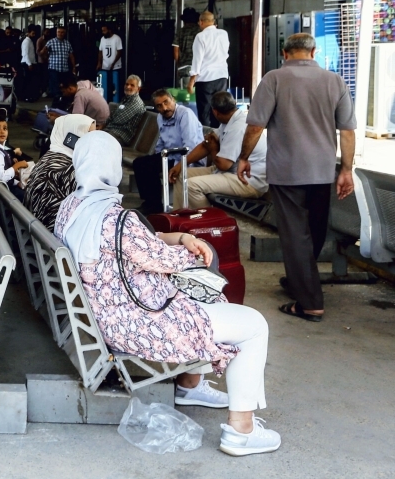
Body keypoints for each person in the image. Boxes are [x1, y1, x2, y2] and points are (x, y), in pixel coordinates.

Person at [56, 131, 280, 457]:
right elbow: (162, 260)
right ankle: (242, 430)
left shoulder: (72, 207)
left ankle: (191, 386)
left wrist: (177, 238)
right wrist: (193, 247)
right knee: (253, 324)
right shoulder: (116, 219)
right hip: (140, 322)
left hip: (106, 315)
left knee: (206, 298)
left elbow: (137, 244)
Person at [237, 32, 356, 323]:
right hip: (322, 171)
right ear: (313, 53)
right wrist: (346, 169)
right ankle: (299, 280)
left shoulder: (274, 79)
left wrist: (243, 157)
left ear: (285, 53)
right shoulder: (335, 81)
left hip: (288, 171)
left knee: (295, 236)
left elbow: (255, 126)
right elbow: (348, 131)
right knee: (313, 232)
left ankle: (310, 302)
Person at [169, 91, 268, 210]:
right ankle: (180, 218)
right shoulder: (230, 119)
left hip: (247, 181)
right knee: (181, 174)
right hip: (229, 172)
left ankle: (206, 224)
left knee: (191, 186)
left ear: (215, 112)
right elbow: (206, 144)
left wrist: (213, 149)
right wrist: (181, 165)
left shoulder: (238, 127)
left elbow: (224, 165)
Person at [132, 88, 204, 214]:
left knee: (149, 167)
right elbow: (161, 140)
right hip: (169, 156)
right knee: (140, 163)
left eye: (166, 102)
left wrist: (179, 167)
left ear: (173, 100)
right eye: (159, 106)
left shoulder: (185, 114)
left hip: (187, 159)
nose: (164, 108)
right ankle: (151, 203)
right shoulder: (161, 117)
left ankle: (153, 205)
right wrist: (156, 156)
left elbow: (190, 146)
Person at [23, 114, 95, 227]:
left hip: (36, 230)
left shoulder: (49, 157)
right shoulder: (69, 169)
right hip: (53, 236)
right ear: (75, 136)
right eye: (88, 135)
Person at [188, 11, 230, 128]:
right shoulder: (224, 34)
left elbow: (197, 60)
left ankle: (206, 138)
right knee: (219, 108)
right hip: (222, 77)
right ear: (214, 22)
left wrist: (191, 81)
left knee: (205, 111)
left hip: (205, 79)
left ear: (201, 22)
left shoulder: (200, 37)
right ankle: (219, 135)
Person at [0, 107, 28, 201]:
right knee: (30, 198)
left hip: (6, 188)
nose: (2, 131)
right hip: (2, 194)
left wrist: (16, 182)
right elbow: (0, 177)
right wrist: (17, 165)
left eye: (5, 128)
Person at [104, 74, 146, 146]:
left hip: (121, 135)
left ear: (138, 89)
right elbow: (112, 116)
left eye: (132, 85)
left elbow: (118, 120)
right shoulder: (126, 99)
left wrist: (106, 124)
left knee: (97, 140)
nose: (128, 87)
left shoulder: (136, 102)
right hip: (111, 131)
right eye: (126, 84)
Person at [40, 27, 76, 101]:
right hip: (54, 68)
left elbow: (71, 55)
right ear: (56, 32)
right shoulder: (51, 42)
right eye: (59, 32)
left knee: (64, 86)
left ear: (65, 33)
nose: (60, 33)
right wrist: (45, 57)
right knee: (55, 87)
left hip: (64, 69)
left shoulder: (67, 43)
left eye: (62, 32)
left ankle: (62, 101)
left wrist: (74, 66)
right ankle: (56, 102)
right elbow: (42, 52)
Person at [173, 8, 201, 87]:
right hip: (200, 67)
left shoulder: (180, 32)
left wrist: (179, 64)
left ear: (184, 20)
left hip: (184, 67)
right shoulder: (201, 32)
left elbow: (175, 50)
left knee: (186, 95)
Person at [97, 25, 123, 103]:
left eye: (104, 31)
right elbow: (100, 51)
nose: (103, 32)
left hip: (115, 67)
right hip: (105, 66)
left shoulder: (117, 38)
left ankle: (115, 101)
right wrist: (99, 62)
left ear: (109, 30)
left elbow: (119, 52)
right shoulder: (102, 39)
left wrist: (113, 63)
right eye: (102, 31)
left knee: (115, 84)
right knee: (105, 84)